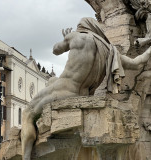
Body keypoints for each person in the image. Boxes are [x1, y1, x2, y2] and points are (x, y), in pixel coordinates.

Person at [21, 17, 151, 160]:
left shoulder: (76, 36)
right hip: (82, 95)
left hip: (63, 90)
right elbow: (137, 62)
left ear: (82, 27)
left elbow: (55, 50)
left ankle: (26, 157)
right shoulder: (110, 51)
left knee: (27, 114)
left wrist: (67, 39)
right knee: (51, 80)